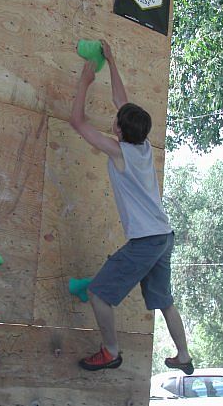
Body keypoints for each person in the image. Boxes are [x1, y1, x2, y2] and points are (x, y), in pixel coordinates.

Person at [69, 40, 194, 375]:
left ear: (119, 129)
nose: (115, 116)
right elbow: (122, 101)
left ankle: (110, 351)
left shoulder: (118, 151)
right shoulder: (144, 145)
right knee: (163, 299)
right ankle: (183, 355)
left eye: (117, 120)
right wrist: (111, 60)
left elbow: (77, 122)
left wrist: (84, 82)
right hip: (164, 237)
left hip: (147, 241)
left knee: (99, 294)